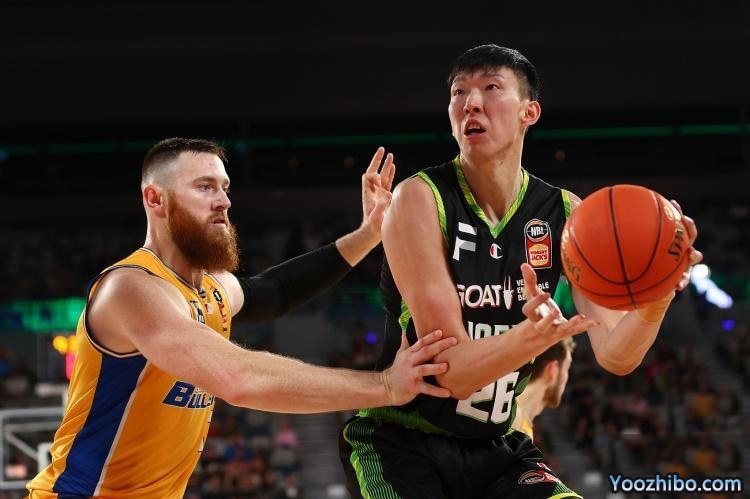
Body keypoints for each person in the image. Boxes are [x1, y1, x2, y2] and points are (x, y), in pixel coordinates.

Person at [339, 44, 702, 498]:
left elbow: (616, 355)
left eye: (491, 87)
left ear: (529, 112)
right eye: (459, 92)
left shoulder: (567, 214)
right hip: (403, 444)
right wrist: (533, 336)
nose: (471, 102)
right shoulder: (419, 198)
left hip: (497, 449)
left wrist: (658, 295)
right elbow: (453, 373)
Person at [26, 138, 457, 499]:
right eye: (205, 187)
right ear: (156, 199)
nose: (224, 201)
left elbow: (277, 291)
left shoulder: (212, 288)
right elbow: (239, 378)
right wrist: (384, 386)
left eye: (225, 187)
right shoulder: (132, 288)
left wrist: (367, 235)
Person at [512, 338, 575, 441]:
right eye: (567, 368)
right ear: (553, 369)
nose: (567, 378)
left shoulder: (520, 422)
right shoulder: (509, 419)